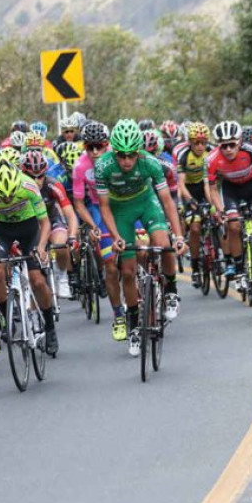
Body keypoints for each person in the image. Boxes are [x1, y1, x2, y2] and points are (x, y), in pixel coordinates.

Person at [95, 119, 186, 356]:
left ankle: (171, 290)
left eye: (132, 155)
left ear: (139, 152)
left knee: (163, 244)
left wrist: (178, 236)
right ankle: (134, 325)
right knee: (127, 270)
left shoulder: (151, 163)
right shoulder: (103, 166)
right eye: (122, 155)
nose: (126, 161)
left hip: (147, 204)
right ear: (114, 151)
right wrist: (115, 236)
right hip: (120, 211)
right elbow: (103, 206)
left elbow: (167, 201)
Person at [0, 161, 59, 355]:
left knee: (37, 280)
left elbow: (45, 223)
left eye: (12, 195)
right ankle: (7, 316)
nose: (7, 199)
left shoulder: (29, 185)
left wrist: (40, 248)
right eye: (2, 196)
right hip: (1, 230)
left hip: (29, 229)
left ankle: (49, 327)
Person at [205, 120, 252, 285]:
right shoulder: (211, 159)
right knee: (233, 226)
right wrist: (220, 211)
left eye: (232, 144)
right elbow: (213, 188)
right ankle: (239, 271)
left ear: (239, 142)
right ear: (218, 146)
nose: (228, 149)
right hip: (231, 190)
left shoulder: (251, 151)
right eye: (224, 146)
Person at [71, 121, 125, 341]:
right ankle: (119, 315)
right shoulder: (80, 166)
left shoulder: (120, 157)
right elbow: (78, 202)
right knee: (111, 266)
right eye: (89, 146)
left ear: (108, 145)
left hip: (124, 204)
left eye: (100, 146)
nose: (94, 151)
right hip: (98, 209)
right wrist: (92, 226)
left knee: (142, 251)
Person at [21, 149, 79, 299]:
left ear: (45, 173)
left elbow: (70, 214)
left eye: (40, 176)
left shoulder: (53, 185)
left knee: (61, 243)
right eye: (31, 177)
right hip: (30, 224)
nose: (37, 181)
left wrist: (72, 236)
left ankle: (62, 276)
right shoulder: (19, 188)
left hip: (52, 220)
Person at [177, 123, 212, 287]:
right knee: (196, 228)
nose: (200, 146)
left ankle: (215, 251)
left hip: (205, 188)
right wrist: (189, 200)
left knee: (215, 218)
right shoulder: (184, 156)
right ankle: (196, 266)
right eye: (196, 142)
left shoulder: (210, 153)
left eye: (203, 142)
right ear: (190, 142)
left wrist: (211, 203)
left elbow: (209, 182)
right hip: (189, 191)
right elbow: (181, 184)